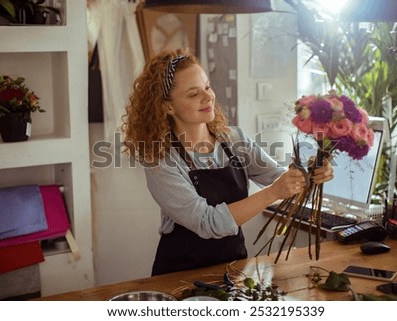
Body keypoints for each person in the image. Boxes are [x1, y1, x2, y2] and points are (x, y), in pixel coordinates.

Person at [121, 48, 333, 276]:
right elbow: (207, 222)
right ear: (167, 107)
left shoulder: (234, 139)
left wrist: (309, 174)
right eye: (194, 94)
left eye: (207, 86)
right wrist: (274, 192)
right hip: (179, 276)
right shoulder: (161, 159)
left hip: (234, 269)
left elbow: (279, 178)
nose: (208, 97)